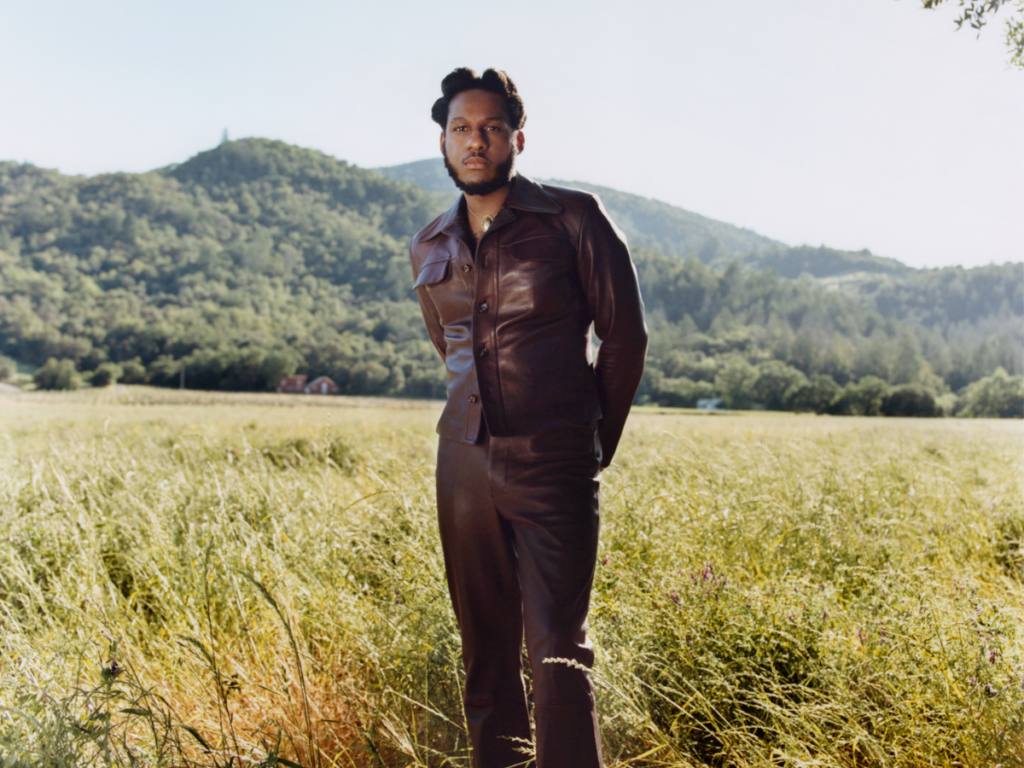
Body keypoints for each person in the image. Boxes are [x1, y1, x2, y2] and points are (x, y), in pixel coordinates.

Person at [409, 67, 648, 768]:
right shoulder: (429, 244)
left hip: (556, 460)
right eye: (460, 129)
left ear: (517, 137)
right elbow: (449, 347)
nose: (474, 142)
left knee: (555, 651)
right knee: (484, 650)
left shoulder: (575, 219)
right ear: (444, 142)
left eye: (488, 128)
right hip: (463, 468)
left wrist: (592, 440)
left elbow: (625, 338)